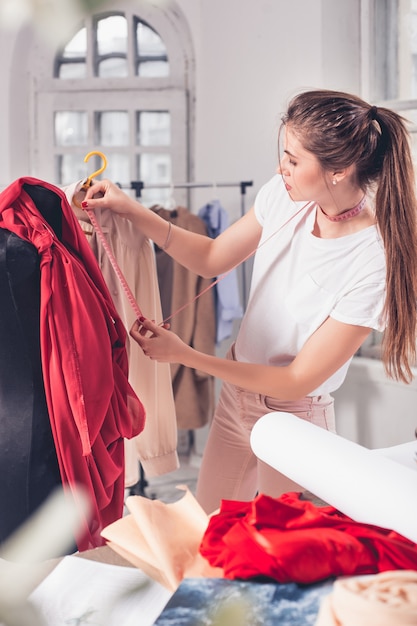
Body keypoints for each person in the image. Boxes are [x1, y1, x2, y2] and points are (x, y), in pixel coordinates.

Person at [83, 89, 417, 514]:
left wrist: (186, 356)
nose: (282, 168)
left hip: (295, 420)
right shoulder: (284, 195)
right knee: (210, 536)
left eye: (294, 160)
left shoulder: (373, 260)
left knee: (275, 554)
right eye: (284, 153)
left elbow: (296, 379)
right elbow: (210, 258)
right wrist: (131, 211)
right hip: (235, 403)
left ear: (340, 170)